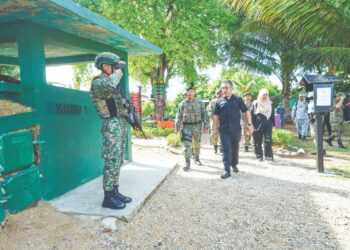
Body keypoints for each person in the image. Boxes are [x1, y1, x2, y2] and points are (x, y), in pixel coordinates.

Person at [90, 52, 132, 210]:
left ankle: (115, 191)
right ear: (105, 66)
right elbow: (110, 85)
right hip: (111, 126)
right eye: (114, 67)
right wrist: (118, 72)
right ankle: (108, 197)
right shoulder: (99, 82)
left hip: (119, 124)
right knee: (111, 160)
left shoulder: (112, 83)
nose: (117, 70)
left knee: (118, 159)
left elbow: (120, 102)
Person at [213, 80, 253, 179]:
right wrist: (214, 128)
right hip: (224, 130)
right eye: (223, 88)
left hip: (236, 130)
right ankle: (227, 170)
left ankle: (234, 164)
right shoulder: (219, 101)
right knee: (226, 149)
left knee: (235, 149)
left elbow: (246, 112)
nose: (224, 90)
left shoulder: (238, 100)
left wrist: (249, 124)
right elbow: (216, 116)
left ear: (231, 88)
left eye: (226, 87)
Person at [175, 83, 209, 171]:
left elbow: (204, 114)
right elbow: (178, 116)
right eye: (188, 91)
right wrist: (177, 127)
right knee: (187, 145)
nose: (190, 93)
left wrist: (206, 125)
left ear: (194, 92)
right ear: (186, 93)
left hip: (197, 125)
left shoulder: (199, 102)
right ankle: (187, 163)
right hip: (186, 127)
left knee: (197, 144)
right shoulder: (182, 103)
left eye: (191, 91)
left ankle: (197, 159)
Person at [251, 88, 275, 161]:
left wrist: (275, 125)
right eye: (263, 95)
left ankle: (269, 156)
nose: (265, 96)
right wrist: (251, 124)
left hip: (268, 125)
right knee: (257, 142)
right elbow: (251, 115)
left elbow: (274, 115)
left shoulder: (270, 104)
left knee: (268, 140)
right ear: (260, 95)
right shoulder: (255, 104)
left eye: (266, 94)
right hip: (257, 125)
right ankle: (259, 156)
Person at [206, 89, 223, 154]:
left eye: (221, 93)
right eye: (218, 93)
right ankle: (215, 147)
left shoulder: (224, 101)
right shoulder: (212, 102)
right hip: (213, 121)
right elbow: (209, 111)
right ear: (216, 94)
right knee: (213, 134)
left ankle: (221, 148)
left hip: (222, 121)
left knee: (222, 134)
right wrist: (213, 118)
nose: (219, 94)